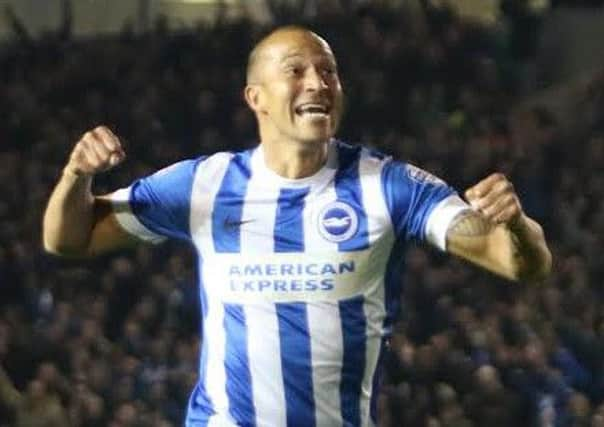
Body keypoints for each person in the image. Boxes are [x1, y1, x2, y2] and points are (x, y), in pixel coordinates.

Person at [43, 26, 552, 427]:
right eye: (296, 70)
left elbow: (519, 264)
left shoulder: (389, 186)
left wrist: (514, 225)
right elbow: (67, 238)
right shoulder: (203, 184)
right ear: (256, 97)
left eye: (328, 72)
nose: (318, 83)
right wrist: (75, 176)